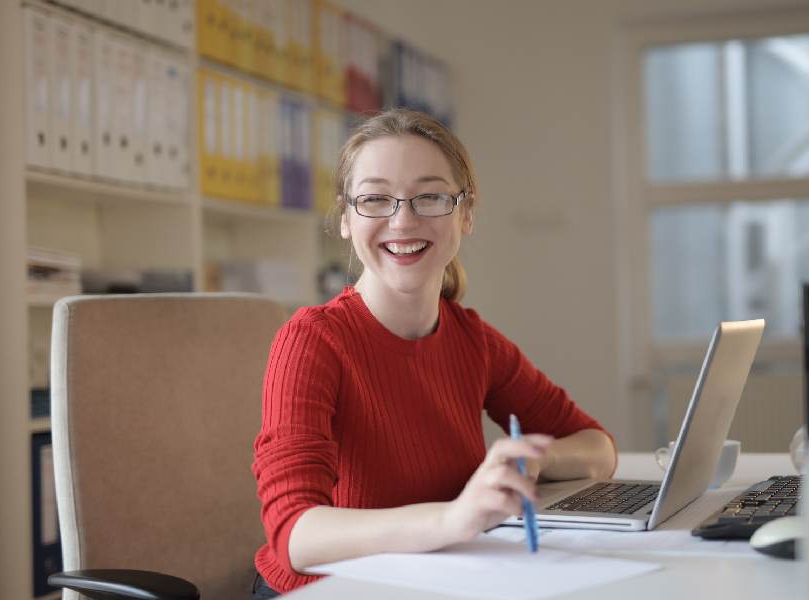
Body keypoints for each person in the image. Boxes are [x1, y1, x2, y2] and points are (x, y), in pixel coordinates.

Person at [251, 108, 617, 598]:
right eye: (376, 199)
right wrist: (455, 517)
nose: (402, 220)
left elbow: (598, 449)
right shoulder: (313, 341)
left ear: (465, 214)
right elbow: (295, 535)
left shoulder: (473, 340)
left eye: (429, 197)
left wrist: (522, 462)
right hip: (331, 590)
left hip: (434, 581)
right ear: (345, 220)